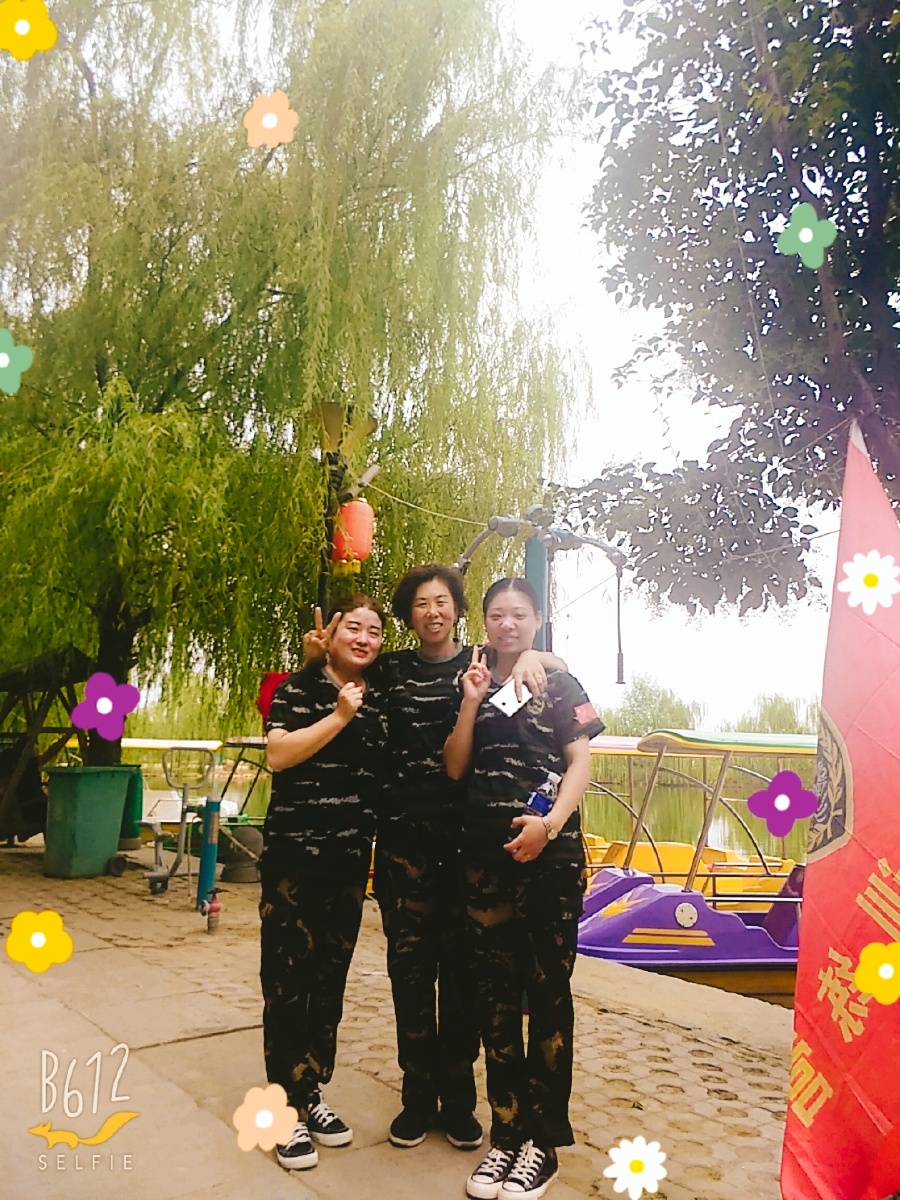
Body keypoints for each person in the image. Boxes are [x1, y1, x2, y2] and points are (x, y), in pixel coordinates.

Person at [303, 564, 565, 1154]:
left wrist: (537, 656)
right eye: (421, 603)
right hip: (404, 844)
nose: (433, 612)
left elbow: (551, 667)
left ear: (458, 609)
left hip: (469, 844)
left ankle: (459, 1100)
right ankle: (417, 1096)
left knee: (466, 976)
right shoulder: (392, 669)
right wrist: (317, 658)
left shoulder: (480, 660)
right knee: (411, 974)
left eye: (442, 601)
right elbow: (340, 675)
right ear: (409, 614)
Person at [444, 578, 604, 1200]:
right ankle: (505, 1133)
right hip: (485, 858)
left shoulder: (561, 684)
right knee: (494, 997)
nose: (506, 625)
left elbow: (580, 762)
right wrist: (469, 702)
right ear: (484, 622)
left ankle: (543, 1140)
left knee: (547, 992)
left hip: (550, 857)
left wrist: (550, 824)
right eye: (496, 615)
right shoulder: (473, 679)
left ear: (537, 618)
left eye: (518, 614)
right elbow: (455, 766)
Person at [260, 594, 386, 1171]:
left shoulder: (379, 696)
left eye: (374, 631)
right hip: (294, 862)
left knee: (328, 981)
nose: (363, 638)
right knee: (287, 981)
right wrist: (337, 716)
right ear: (330, 635)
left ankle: (311, 1089)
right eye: (352, 627)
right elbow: (278, 756)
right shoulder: (297, 689)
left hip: (347, 864)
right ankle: (283, 1106)